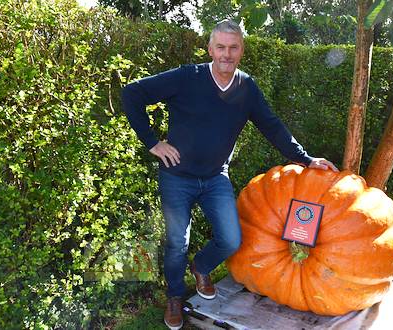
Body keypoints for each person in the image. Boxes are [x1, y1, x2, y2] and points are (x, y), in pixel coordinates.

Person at [121, 19, 337, 330]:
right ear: (210, 49)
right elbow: (132, 94)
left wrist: (304, 159)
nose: (226, 53)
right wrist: (153, 143)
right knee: (176, 243)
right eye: (220, 47)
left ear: (241, 50)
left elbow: (272, 126)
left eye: (233, 47)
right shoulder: (187, 77)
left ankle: (202, 266)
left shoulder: (246, 88)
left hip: (214, 177)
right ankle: (174, 297)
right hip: (176, 176)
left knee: (231, 238)